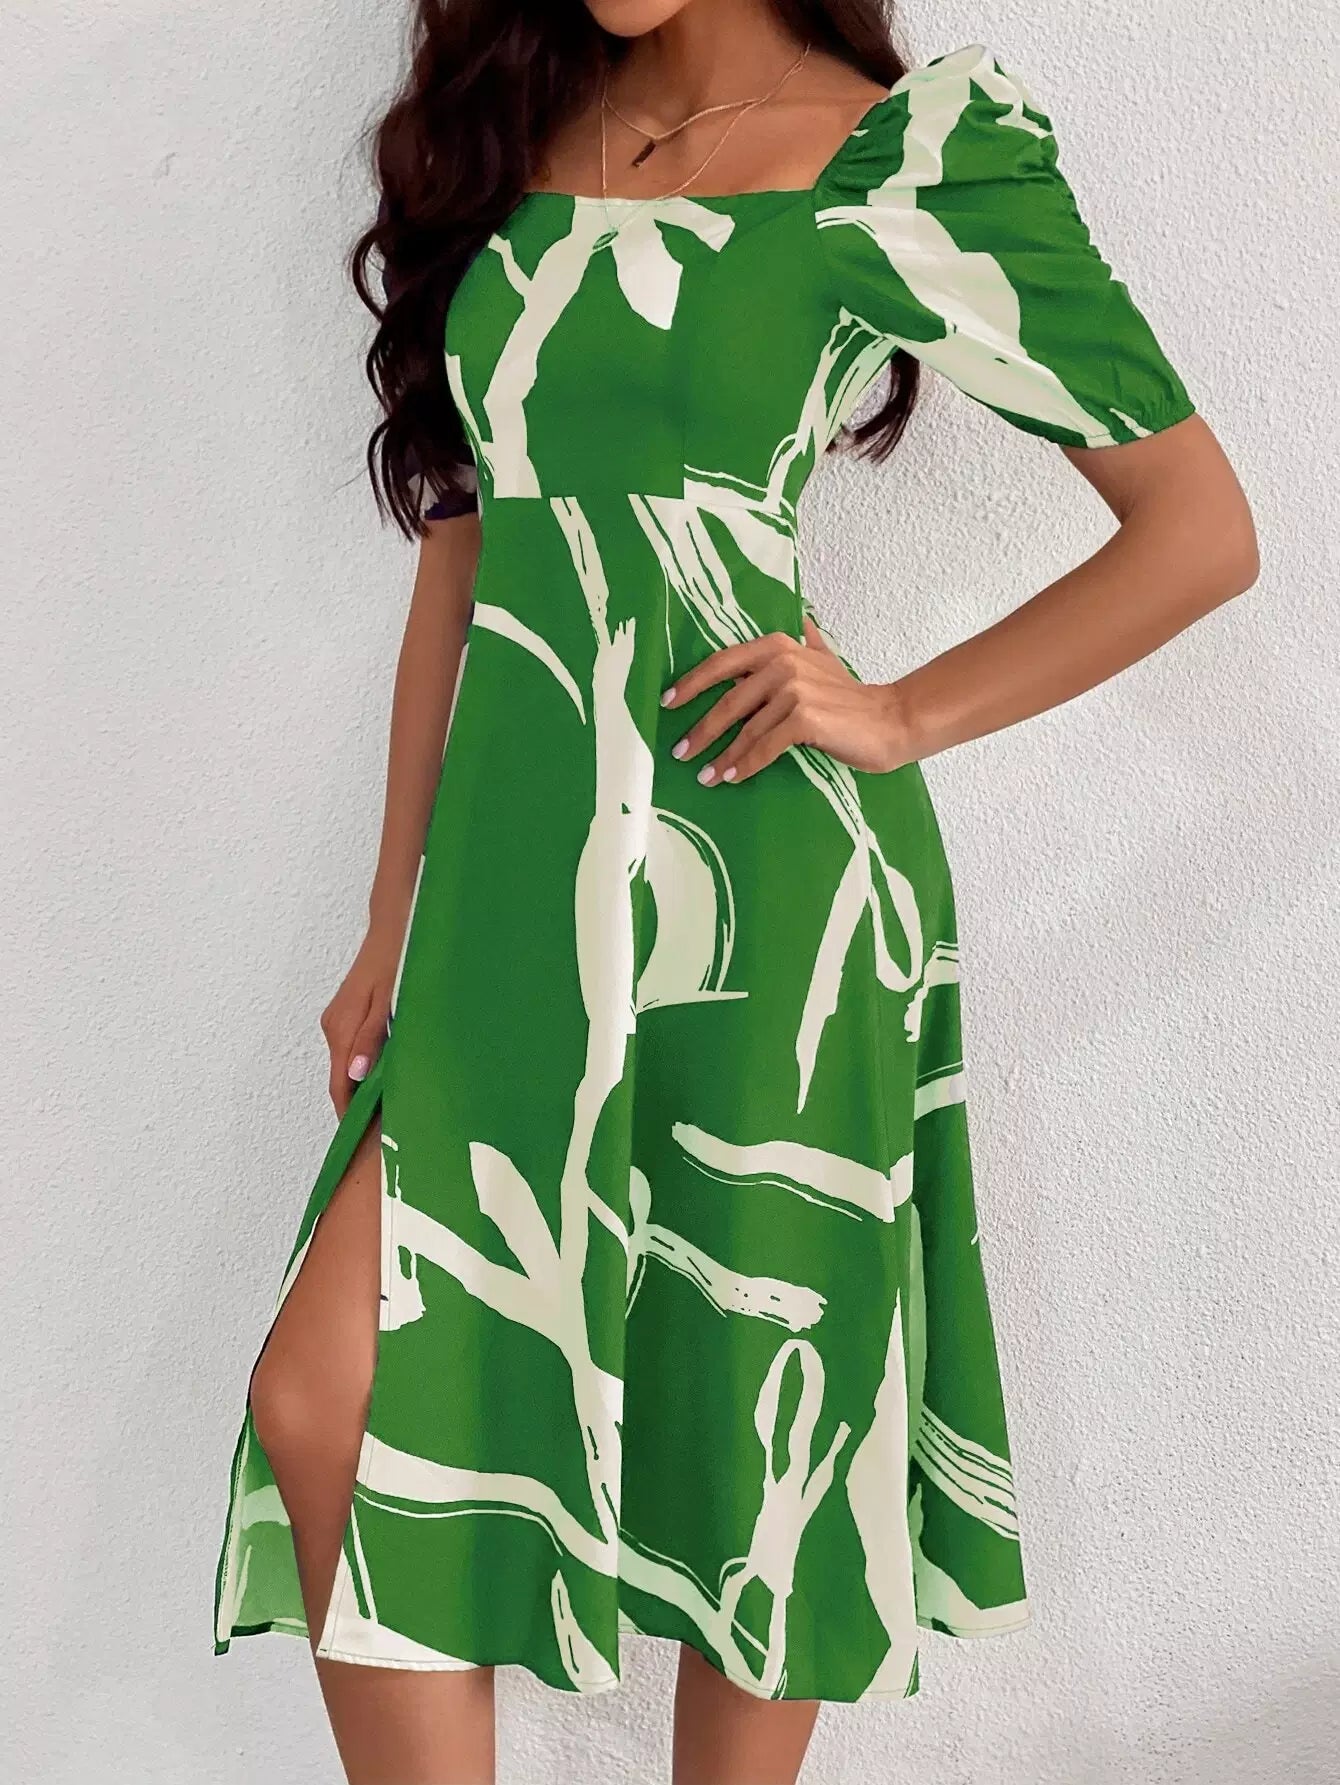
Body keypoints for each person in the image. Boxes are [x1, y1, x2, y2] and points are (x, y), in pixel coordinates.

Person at [213, 3, 1258, 1781]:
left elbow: (1199, 526)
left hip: (776, 892)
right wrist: (393, 914)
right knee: (328, 1399)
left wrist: (901, 711)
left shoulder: (902, 159)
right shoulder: (516, 131)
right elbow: (465, 561)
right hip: (514, 903)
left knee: (758, 1453)